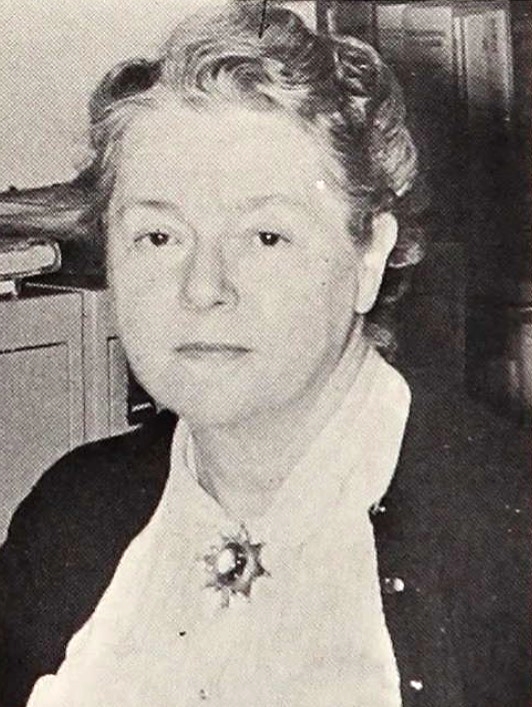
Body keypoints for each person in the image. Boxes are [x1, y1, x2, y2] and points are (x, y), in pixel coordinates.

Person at [0, 3, 529, 706]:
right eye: (159, 237)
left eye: (266, 237)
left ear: (369, 255)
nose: (202, 289)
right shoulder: (68, 519)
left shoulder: (507, 537)